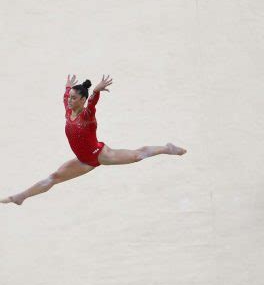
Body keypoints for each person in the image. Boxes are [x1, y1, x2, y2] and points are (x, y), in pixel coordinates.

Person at [0, 74, 187, 206]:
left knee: (137, 156)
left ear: (82, 100)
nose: (70, 101)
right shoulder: (68, 109)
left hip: (100, 155)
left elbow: (92, 103)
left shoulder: (87, 115)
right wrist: (67, 87)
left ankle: (166, 148)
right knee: (54, 178)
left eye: (74, 98)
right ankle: (21, 197)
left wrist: (96, 91)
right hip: (83, 161)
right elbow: (65, 97)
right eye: (70, 98)